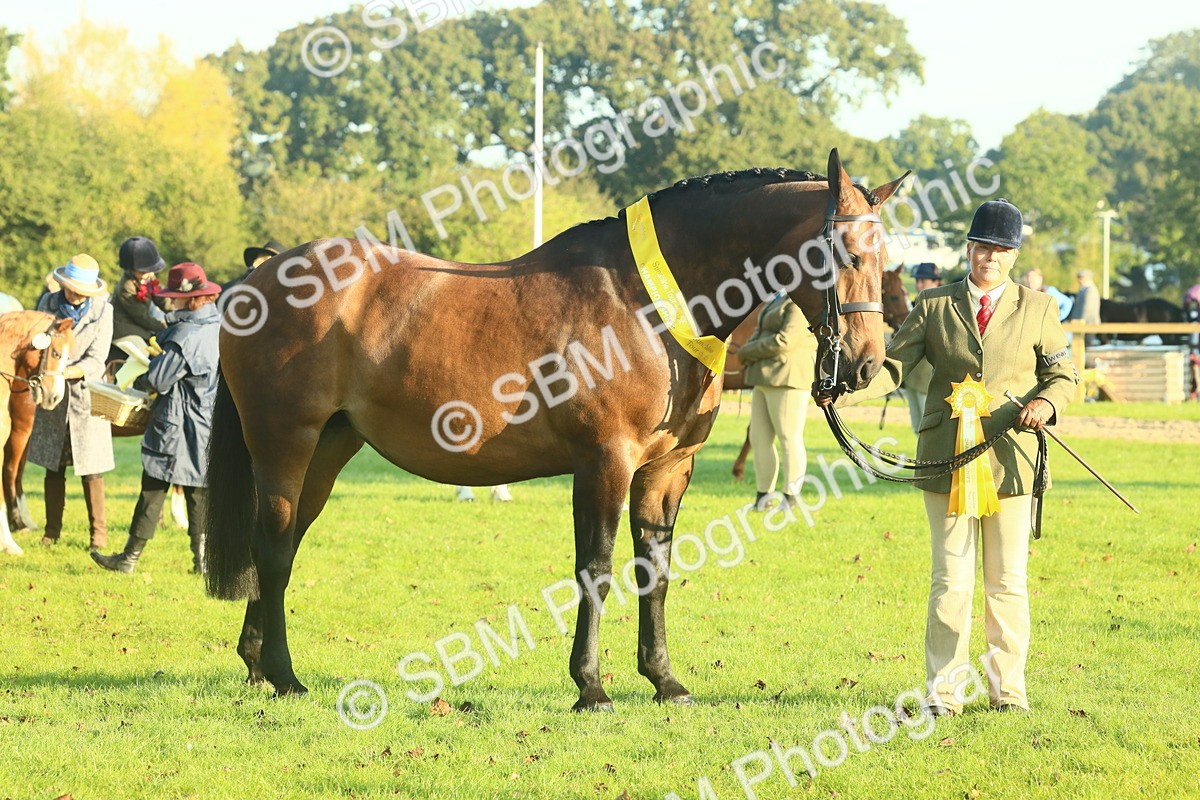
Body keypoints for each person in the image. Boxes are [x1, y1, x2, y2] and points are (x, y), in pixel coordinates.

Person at [827, 198, 1077, 715]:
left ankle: (1008, 690)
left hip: (1011, 461)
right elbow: (893, 367)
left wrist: (1047, 403)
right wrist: (841, 393)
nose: (990, 256)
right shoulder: (935, 305)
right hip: (947, 460)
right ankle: (943, 691)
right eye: (983, 245)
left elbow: (1062, 375)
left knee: (1006, 581)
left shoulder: (1040, 308)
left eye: (1001, 249)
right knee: (950, 580)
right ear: (968, 248)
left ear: (1013, 255)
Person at [92, 263, 222, 574]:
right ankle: (203, 562)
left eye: (175, 297)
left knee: (152, 489)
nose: (170, 301)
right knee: (198, 492)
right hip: (206, 420)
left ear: (191, 300)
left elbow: (159, 380)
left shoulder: (185, 336)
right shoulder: (216, 326)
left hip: (177, 422)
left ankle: (128, 559)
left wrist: (140, 372)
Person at [28, 255, 115, 550]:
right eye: (70, 287)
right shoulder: (47, 304)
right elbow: (38, 344)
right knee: (54, 467)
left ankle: (98, 535)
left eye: (80, 290)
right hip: (52, 394)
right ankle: (52, 531)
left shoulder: (104, 311)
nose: (74, 293)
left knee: (92, 469)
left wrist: (67, 372)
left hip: (85, 395)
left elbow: (97, 359)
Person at [736, 290, 817, 510]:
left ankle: (791, 498)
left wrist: (748, 351)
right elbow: (761, 331)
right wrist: (747, 350)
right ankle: (763, 497)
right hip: (763, 376)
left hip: (788, 376)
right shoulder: (780, 299)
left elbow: (786, 340)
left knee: (789, 438)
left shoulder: (801, 302)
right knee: (759, 438)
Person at [109, 237, 168, 358]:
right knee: (143, 352)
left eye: (152, 271)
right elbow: (142, 317)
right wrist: (165, 326)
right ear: (132, 270)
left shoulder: (146, 276)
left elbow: (160, 297)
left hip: (138, 324)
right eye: (144, 271)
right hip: (123, 328)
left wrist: (177, 311)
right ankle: (130, 377)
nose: (151, 274)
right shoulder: (127, 288)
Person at [900, 263, 941, 433]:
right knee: (916, 427)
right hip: (912, 377)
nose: (918, 285)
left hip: (929, 378)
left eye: (923, 281)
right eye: (917, 281)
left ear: (936, 282)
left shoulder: (941, 306)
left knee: (929, 430)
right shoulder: (912, 305)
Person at [1068, 269, 1101, 346]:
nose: (1079, 280)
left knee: (1086, 346)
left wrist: (1079, 322)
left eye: (1081, 277)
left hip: (1088, 324)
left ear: (1088, 278)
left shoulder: (1091, 290)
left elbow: (1087, 309)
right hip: (1082, 325)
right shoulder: (1084, 290)